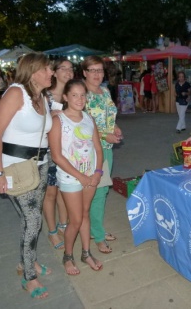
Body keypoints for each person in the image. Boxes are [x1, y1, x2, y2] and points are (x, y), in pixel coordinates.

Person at [0, 52, 53, 299]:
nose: (51, 73)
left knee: (30, 222)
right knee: (33, 221)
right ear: (33, 71)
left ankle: (29, 261)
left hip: (40, 165)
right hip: (15, 168)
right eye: (47, 69)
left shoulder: (42, 96)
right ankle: (29, 275)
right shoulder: (16, 93)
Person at [49, 79, 104, 275]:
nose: (80, 99)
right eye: (74, 95)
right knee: (75, 220)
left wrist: (98, 172)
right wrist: (81, 176)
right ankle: (68, 255)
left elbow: (98, 148)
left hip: (90, 177)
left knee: (85, 215)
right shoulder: (58, 121)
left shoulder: (89, 119)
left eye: (83, 95)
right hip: (71, 178)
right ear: (65, 97)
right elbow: (56, 156)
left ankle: (86, 253)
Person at [83, 55, 123, 254]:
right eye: (93, 70)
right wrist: (104, 136)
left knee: (103, 191)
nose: (97, 74)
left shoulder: (105, 91)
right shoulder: (82, 95)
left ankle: (95, 229)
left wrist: (114, 128)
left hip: (106, 149)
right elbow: (80, 127)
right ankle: (97, 236)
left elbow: (109, 116)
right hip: (90, 151)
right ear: (84, 73)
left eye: (100, 70)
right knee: (97, 193)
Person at [43, 58, 74, 250]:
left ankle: (63, 225)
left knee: (65, 190)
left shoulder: (73, 93)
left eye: (71, 69)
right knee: (51, 193)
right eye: (64, 68)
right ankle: (52, 232)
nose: (69, 72)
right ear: (54, 72)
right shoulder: (44, 95)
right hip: (48, 150)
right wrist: (50, 117)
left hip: (69, 149)